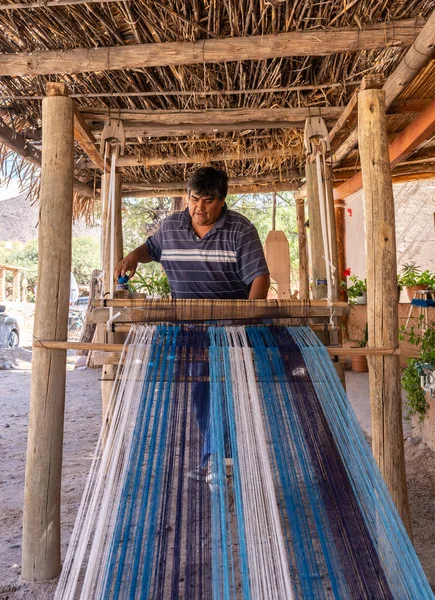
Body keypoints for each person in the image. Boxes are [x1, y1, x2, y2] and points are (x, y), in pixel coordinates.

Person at [115, 167, 270, 479]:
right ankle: (217, 459)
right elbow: (151, 249)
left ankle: (220, 460)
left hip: (230, 328)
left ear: (223, 201)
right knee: (202, 393)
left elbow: (260, 280)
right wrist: (132, 256)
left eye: (208, 201)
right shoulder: (171, 226)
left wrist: (247, 322)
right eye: (194, 199)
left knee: (224, 392)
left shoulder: (241, 230)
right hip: (189, 329)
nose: (199, 207)